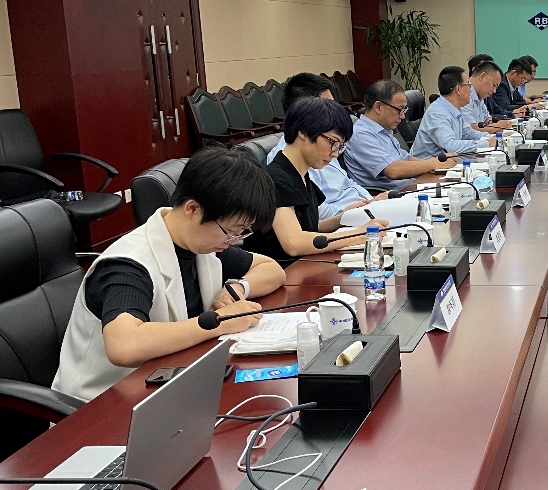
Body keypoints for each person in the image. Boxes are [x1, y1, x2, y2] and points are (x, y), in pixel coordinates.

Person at [51, 145, 286, 402]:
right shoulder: (128, 265)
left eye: (241, 233)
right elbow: (123, 346)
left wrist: (236, 288)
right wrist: (220, 321)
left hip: (167, 382)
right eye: (231, 231)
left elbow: (271, 270)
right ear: (193, 209)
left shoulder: (201, 244)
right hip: (101, 402)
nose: (233, 240)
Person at [246, 98, 388, 267]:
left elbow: (311, 228)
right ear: (303, 133)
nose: (335, 154)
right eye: (333, 143)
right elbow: (294, 243)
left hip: (306, 264)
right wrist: (356, 235)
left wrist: (345, 217)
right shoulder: (277, 179)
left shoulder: (301, 174)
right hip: (283, 272)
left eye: (340, 147)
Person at [266, 72, 379, 219]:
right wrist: (349, 216)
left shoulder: (319, 150)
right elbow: (301, 230)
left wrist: (372, 203)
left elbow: (348, 184)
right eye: (328, 105)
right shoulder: (285, 170)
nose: (336, 154)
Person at [341, 79, 454, 192]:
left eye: (404, 110)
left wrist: (438, 166)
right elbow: (393, 170)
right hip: (391, 195)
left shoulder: (384, 130)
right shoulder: (361, 135)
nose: (403, 116)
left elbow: (406, 158)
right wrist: (432, 164)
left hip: (410, 186)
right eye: (399, 110)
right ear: (378, 107)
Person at [412, 66, 494, 157]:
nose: (471, 90)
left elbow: (468, 133)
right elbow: (451, 146)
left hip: (447, 162)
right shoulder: (437, 113)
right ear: (458, 89)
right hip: (426, 164)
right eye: (468, 85)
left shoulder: (455, 109)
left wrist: (491, 138)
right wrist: (487, 143)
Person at [464, 58, 515, 133]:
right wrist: (497, 127)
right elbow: (471, 131)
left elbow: (487, 119)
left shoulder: (479, 95)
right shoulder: (464, 94)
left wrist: (497, 123)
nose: (494, 91)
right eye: (494, 85)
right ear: (482, 77)